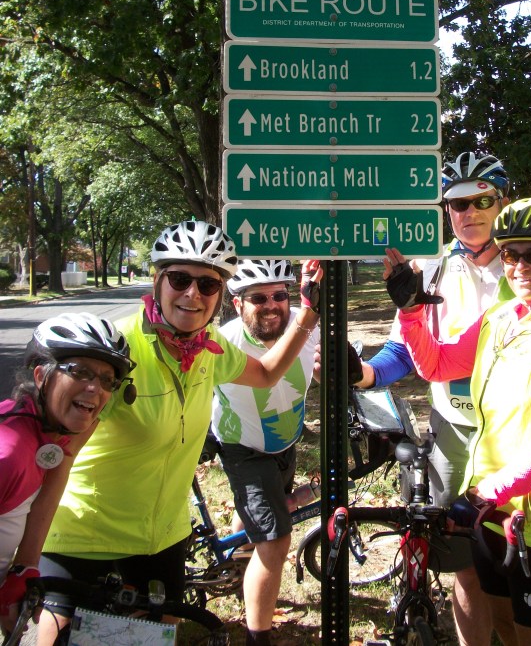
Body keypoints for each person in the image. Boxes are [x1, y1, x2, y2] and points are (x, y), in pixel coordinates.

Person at [35, 221, 322, 645]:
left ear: (221, 294)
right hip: (85, 534)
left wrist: (310, 312)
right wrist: (25, 557)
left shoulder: (209, 347)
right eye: (180, 278)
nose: (193, 294)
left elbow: (264, 373)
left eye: (208, 284)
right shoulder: (119, 352)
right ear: (157, 281)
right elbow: (58, 455)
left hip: (162, 538)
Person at [384, 198, 531, 645]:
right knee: (504, 629)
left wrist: (489, 492)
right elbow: (437, 366)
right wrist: (410, 312)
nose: (521, 266)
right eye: (510, 254)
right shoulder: (499, 319)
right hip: (488, 515)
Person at [353, 151, 511, 646]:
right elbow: (404, 350)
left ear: (502, 201)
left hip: (512, 433)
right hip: (452, 427)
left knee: (509, 556)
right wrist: (361, 375)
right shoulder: (431, 267)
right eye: (456, 204)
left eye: (481, 200)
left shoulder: (524, 264)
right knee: (463, 558)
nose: (469, 213)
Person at [0, 312, 135, 633]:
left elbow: (60, 467)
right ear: (40, 375)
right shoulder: (10, 452)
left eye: (107, 380)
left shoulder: (46, 431)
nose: (94, 388)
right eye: (79, 371)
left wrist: (25, 565)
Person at [212, 259, 320, 646]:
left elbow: (324, 368)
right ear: (238, 303)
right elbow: (266, 374)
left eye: (280, 295)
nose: (272, 304)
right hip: (243, 448)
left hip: (285, 442)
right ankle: (257, 637)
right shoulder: (224, 342)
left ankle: (238, 564)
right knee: (275, 541)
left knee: (260, 523)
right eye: (258, 297)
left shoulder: (307, 329)